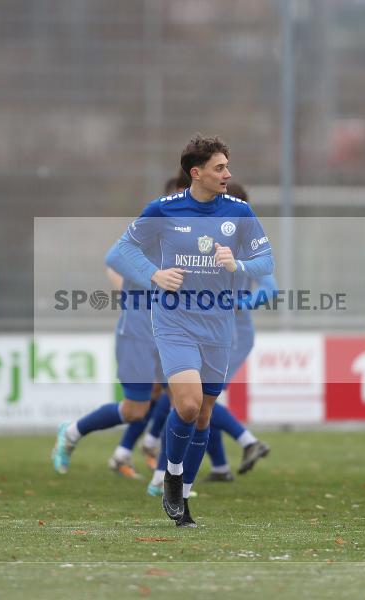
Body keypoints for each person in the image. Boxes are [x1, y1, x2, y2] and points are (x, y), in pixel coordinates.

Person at [118, 134, 274, 526]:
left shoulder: (238, 212)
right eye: (220, 168)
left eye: (227, 166)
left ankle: (184, 494)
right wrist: (154, 273)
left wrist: (237, 265)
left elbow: (265, 261)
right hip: (174, 321)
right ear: (197, 173)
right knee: (186, 405)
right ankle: (172, 473)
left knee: (204, 416)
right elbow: (123, 251)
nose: (228, 174)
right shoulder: (164, 209)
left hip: (219, 325)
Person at [50, 175, 184, 480]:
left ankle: (164, 478)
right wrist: (152, 277)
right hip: (137, 333)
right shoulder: (152, 229)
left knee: (183, 401)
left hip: (174, 334)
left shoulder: (197, 236)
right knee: (135, 410)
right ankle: (71, 433)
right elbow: (114, 258)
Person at [146, 181, 272, 495]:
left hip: (233, 331)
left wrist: (240, 303)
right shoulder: (200, 241)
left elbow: (270, 288)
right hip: (192, 325)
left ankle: (167, 472)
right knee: (192, 402)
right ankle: (218, 466)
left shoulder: (245, 244)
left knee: (197, 402)